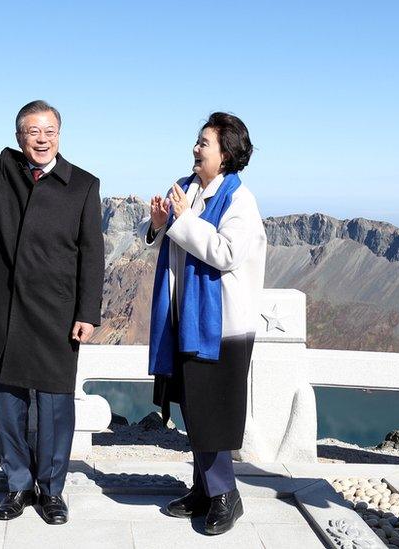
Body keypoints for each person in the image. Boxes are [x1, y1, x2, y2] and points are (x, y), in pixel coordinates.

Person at [0, 99, 105, 525]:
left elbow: (91, 255)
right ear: (19, 136)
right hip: (8, 309)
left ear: (59, 134)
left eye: (48, 131)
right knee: (9, 401)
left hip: (58, 312)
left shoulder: (82, 184)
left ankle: (52, 490)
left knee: (57, 405)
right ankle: (18, 485)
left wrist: (88, 312)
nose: (41, 139)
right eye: (31, 132)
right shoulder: (4, 171)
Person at [142, 112, 266, 535]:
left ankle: (226, 497)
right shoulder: (189, 189)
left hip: (220, 326)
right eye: (197, 141)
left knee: (211, 411)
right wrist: (159, 225)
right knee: (193, 408)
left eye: (204, 143)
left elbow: (225, 253)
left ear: (226, 154)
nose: (196, 149)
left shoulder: (239, 200)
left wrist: (180, 221)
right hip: (186, 318)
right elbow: (175, 241)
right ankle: (203, 489)